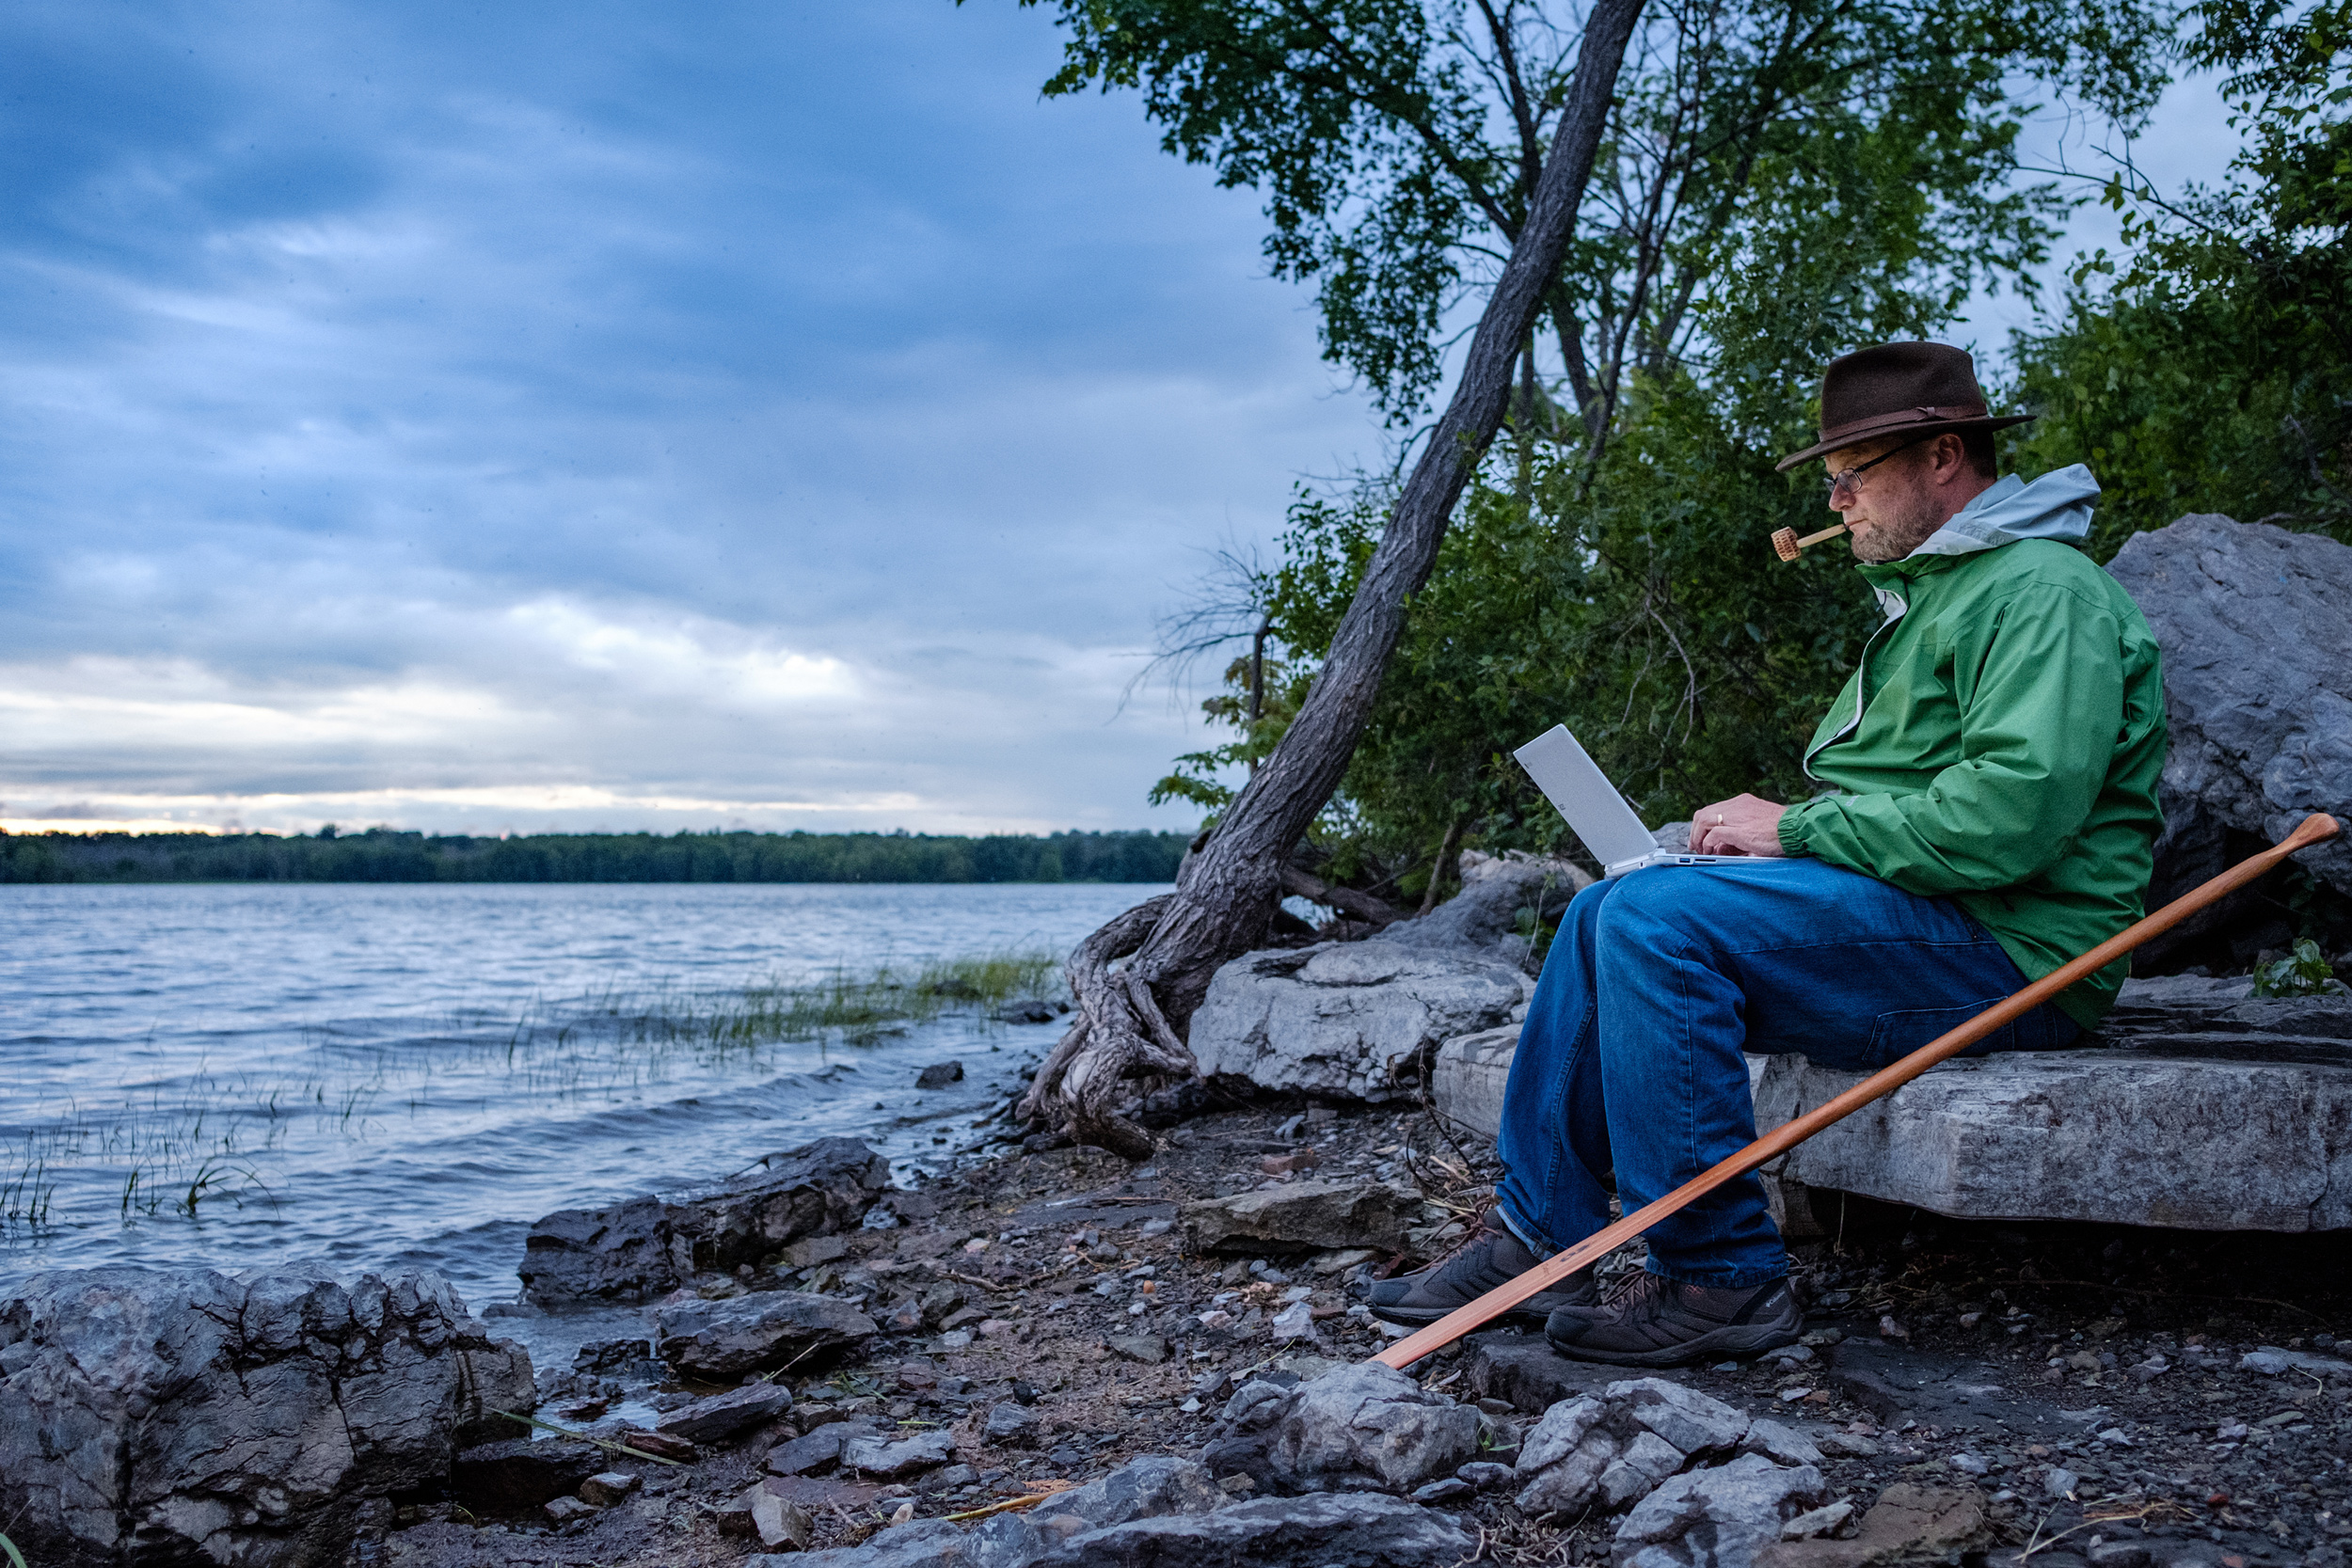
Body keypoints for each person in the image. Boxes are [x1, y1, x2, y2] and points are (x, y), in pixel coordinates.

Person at [1366, 341, 2168, 1367]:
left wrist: (1791, 828)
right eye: (1832, 481)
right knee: (1611, 904)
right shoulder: (1948, 592)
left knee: (1657, 926)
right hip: (1932, 918)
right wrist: (1754, 855)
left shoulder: (2043, 592)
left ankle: (1721, 1277)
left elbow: (2010, 820)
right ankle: (1540, 1238)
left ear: (1942, 456)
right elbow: (1913, 808)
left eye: (1853, 475)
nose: (1837, 502)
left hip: (2018, 953)